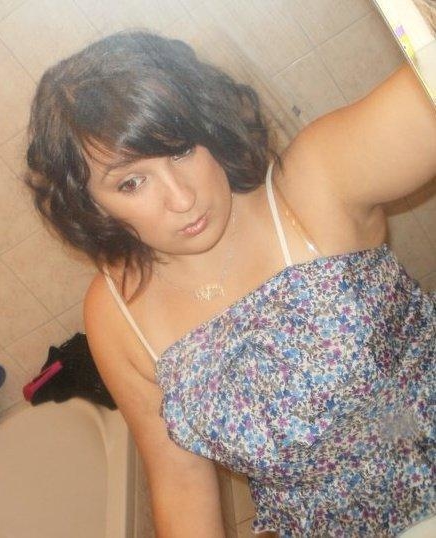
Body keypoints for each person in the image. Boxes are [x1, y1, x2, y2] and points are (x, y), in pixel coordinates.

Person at [25, 30, 435, 537]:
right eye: (132, 182)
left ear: (206, 121)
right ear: (91, 204)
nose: (182, 199)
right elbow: (179, 485)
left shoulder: (314, 185)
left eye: (180, 149)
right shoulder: (116, 312)